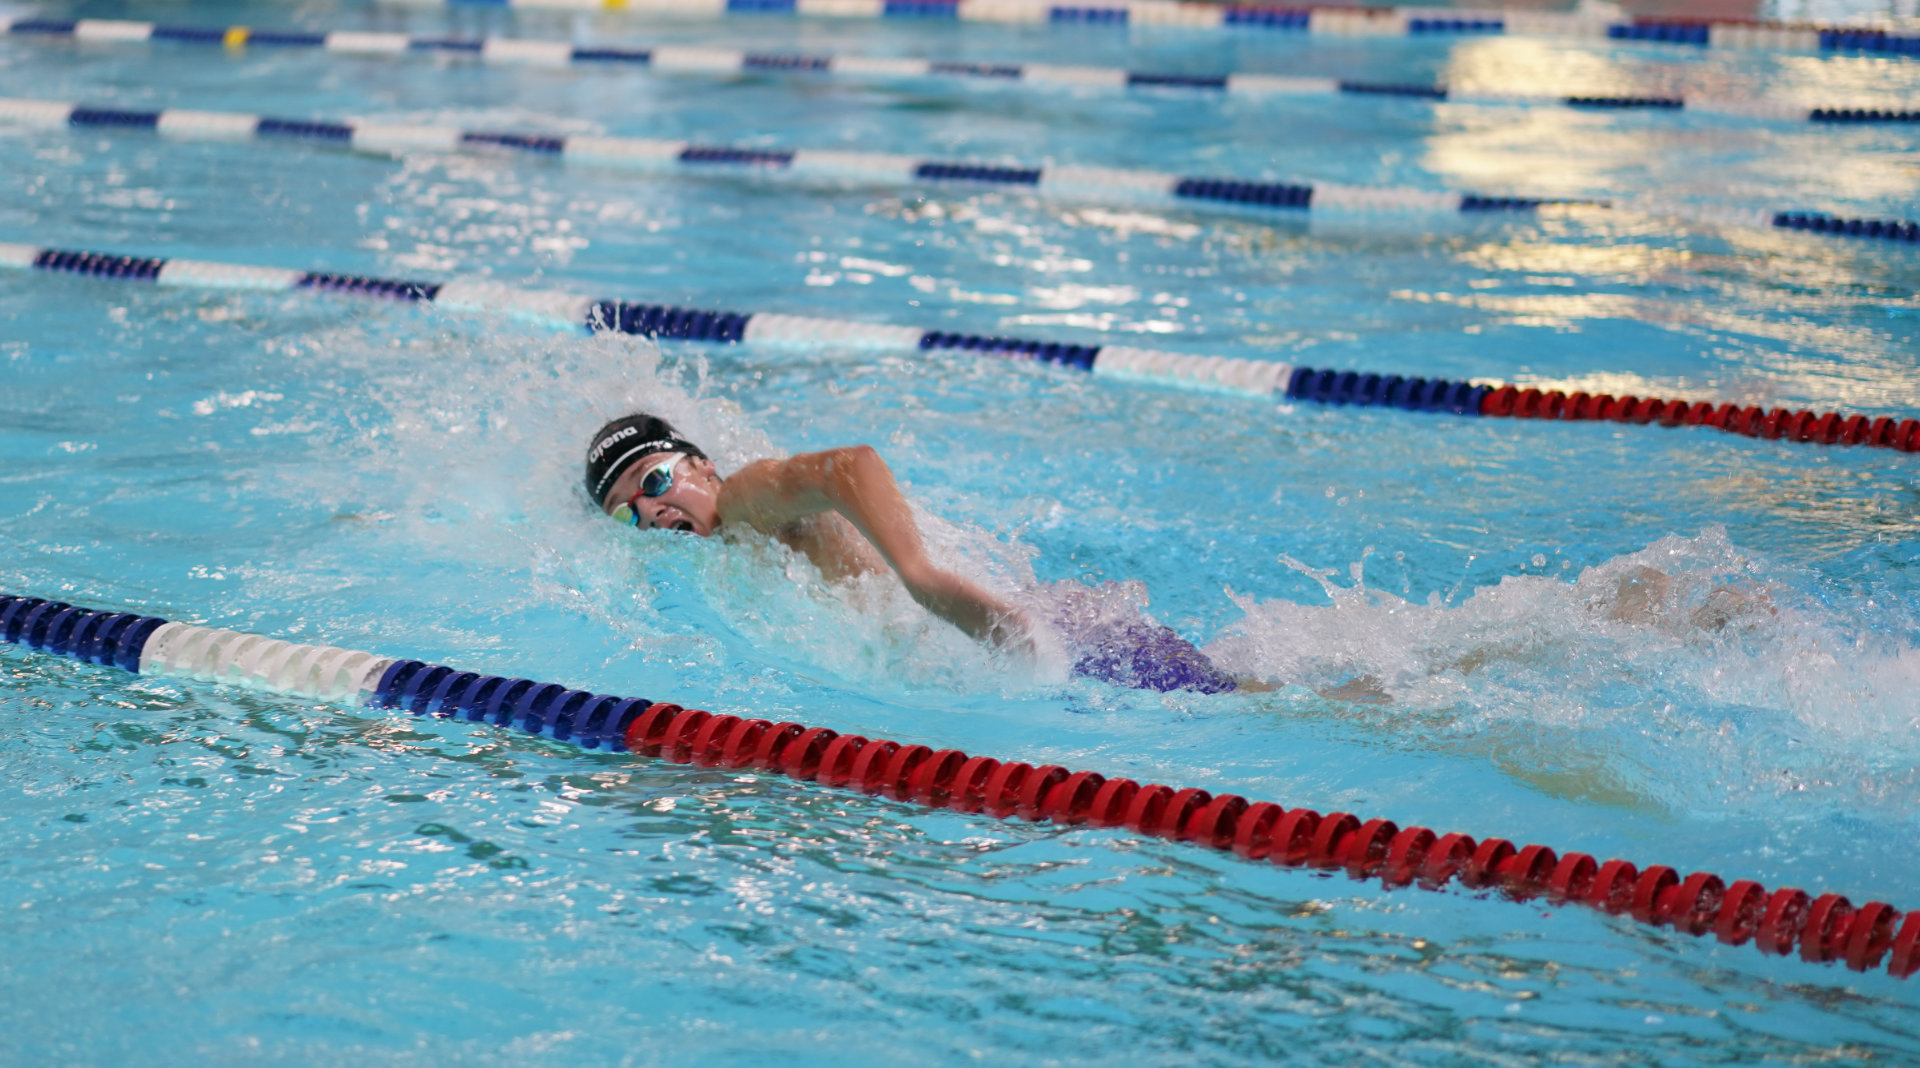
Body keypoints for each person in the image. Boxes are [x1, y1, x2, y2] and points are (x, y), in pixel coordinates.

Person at [584, 413, 1240, 694]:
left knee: (1260, 707)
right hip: (1014, 645)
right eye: (626, 510)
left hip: (1056, 638)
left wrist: (918, 574)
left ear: (702, 465)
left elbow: (848, 466)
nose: (649, 509)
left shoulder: (744, 499)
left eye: (654, 480)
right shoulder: (720, 557)